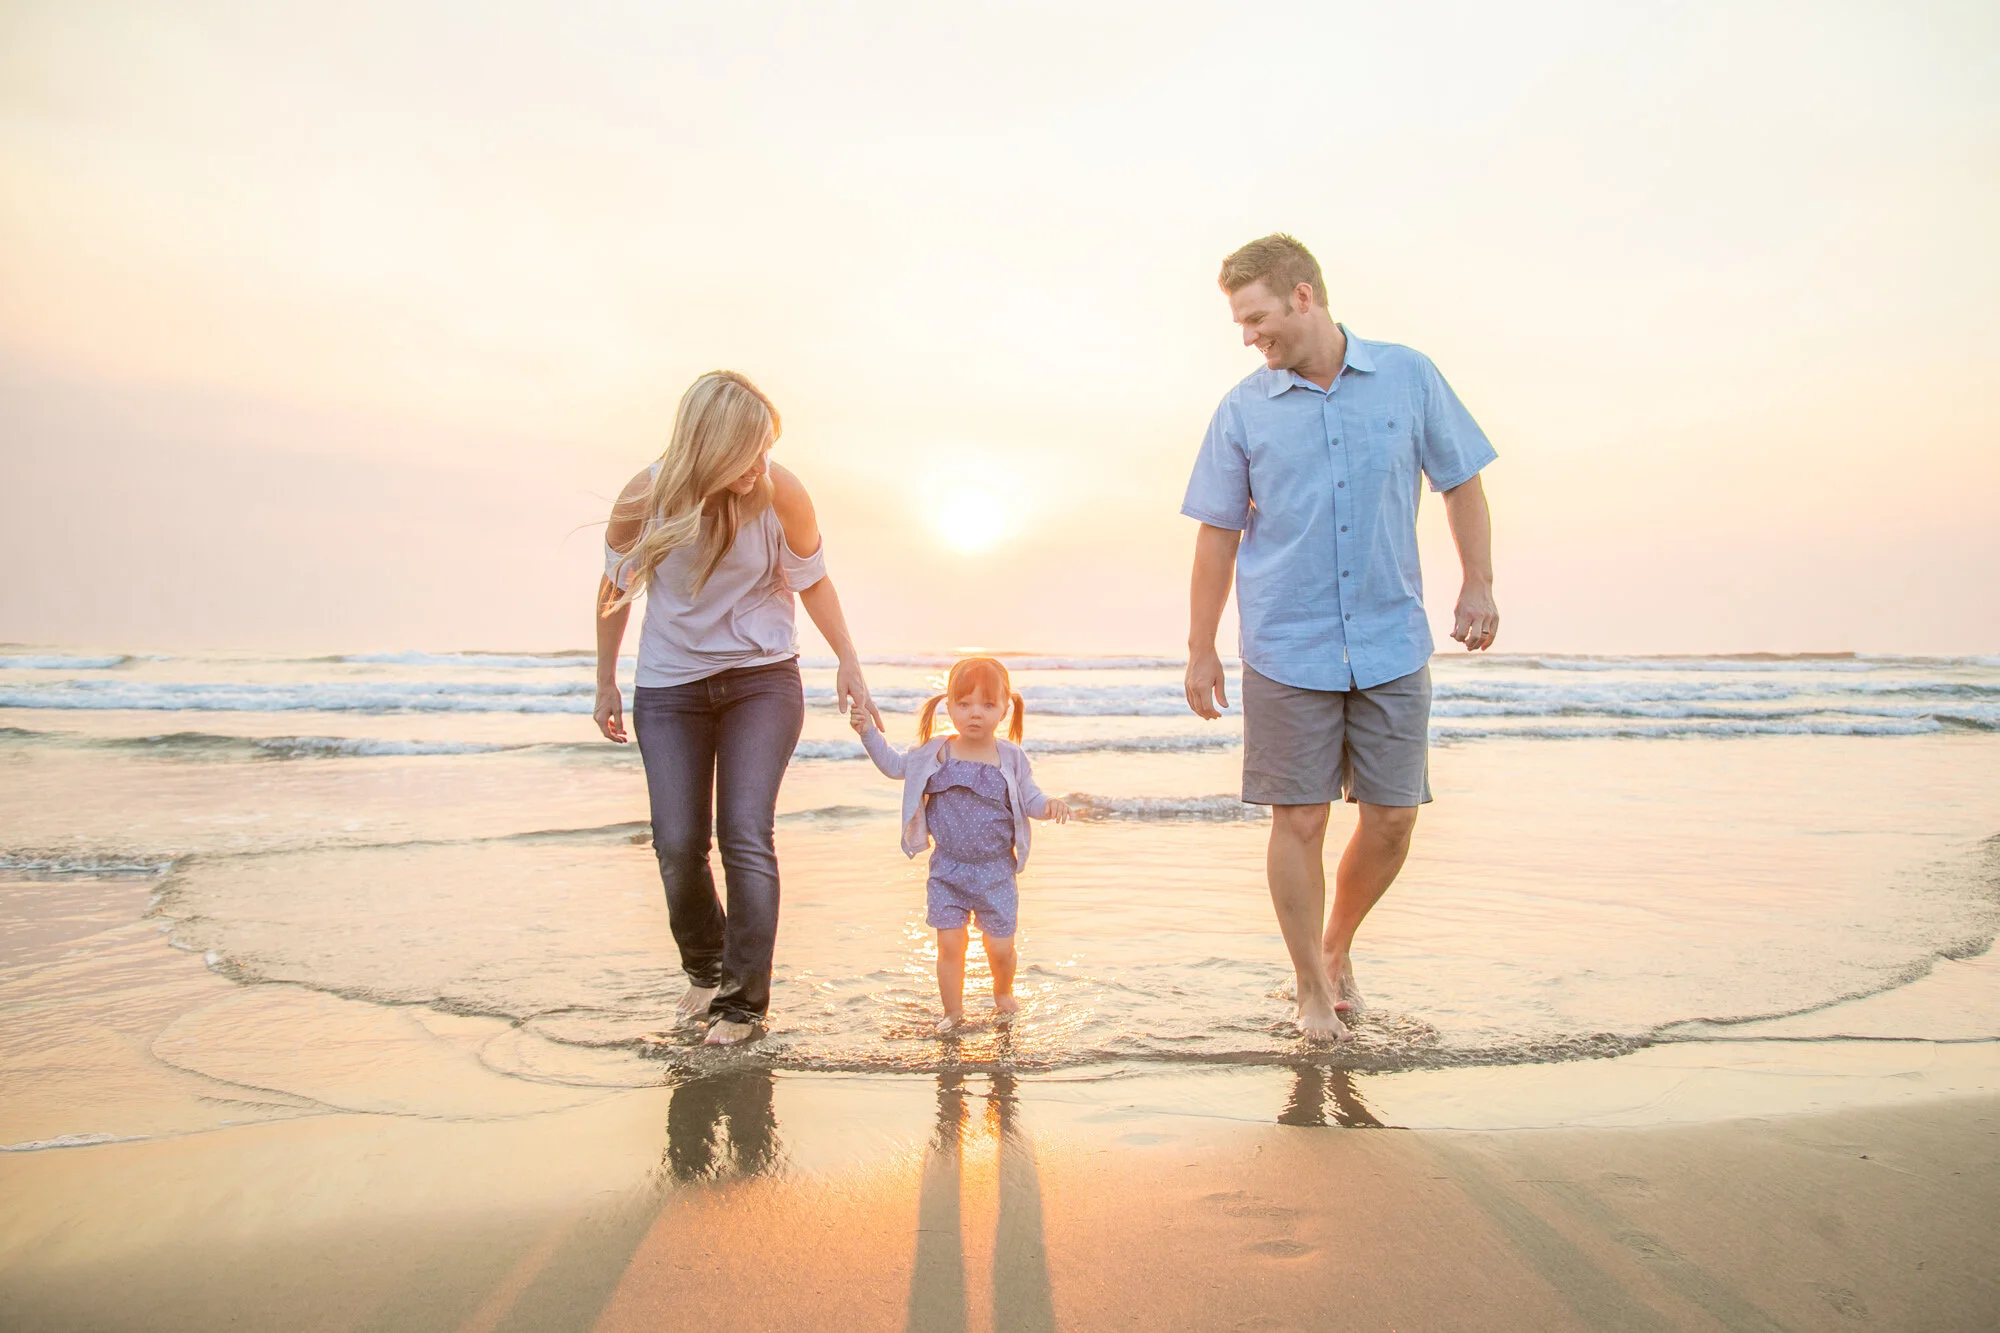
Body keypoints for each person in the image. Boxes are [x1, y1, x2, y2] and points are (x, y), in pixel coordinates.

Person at [1180, 234, 1499, 1041]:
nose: (1249, 337)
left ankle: (1336, 945)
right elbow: (1216, 535)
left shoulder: (1409, 375)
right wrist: (1200, 645)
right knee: (1300, 819)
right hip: (1287, 644)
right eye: (1240, 325)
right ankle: (1311, 990)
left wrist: (1478, 581)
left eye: (1256, 318)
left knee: (1393, 818)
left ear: (1303, 296)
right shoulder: (1243, 409)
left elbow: (1461, 480)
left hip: (1393, 635)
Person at [594, 370, 880, 1046]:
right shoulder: (645, 497)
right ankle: (707, 967)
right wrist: (606, 678)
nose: (761, 465)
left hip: (762, 680)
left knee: (746, 832)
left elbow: (814, 582)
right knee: (677, 843)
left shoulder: (782, 493)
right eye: (748, 451)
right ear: (710, 445)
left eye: (766, 449)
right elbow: (613, 589)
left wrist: (849, 660)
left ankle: (744, 1005)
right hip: (670, 688)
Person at [848, 657, 1072, 1031]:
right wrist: (867, 731)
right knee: (950, 947)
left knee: (999, 948)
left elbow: (1030, 800)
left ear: (1004, 709)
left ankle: (1003, 993)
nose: (975, 714)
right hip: (947, 869)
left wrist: (1049, 806)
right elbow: (892, 765)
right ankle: (952, 1012)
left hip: (996, 871)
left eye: (987, 705)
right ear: (948, 705)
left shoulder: (1011, 757)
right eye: (964, 704)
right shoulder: (936, 752)